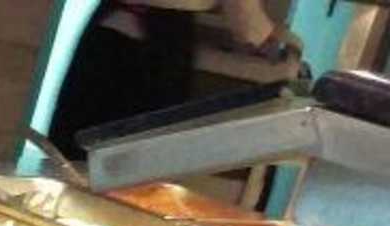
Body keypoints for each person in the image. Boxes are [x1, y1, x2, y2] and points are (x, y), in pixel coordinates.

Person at [49, 0, 292, 159]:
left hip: (105, 21)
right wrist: (262, 36)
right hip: (160, 35)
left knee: (73, 136)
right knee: (134, 153)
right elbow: (243, 13)